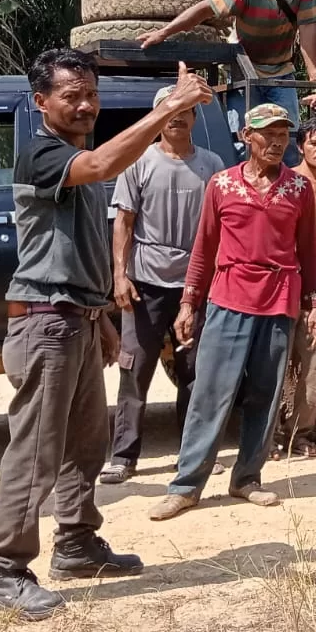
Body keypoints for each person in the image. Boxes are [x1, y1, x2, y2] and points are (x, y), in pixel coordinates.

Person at [0, 52, 213, 621]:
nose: (85, 105)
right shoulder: (42, 154)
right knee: (36, 449)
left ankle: (77, 544)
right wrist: (171, 109)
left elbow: (81, 246)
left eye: (91, 94)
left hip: (77, 318)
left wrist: (102, 316)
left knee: (85, 446)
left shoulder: (79, 159)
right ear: (41, 103)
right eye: (71, 96)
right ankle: (4, 571)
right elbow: (108, 164)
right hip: (44, 321)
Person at [149, 104, 316, 520]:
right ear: (247, 136)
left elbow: (309, 253)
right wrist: (189, 302)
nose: (277, 142)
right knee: (210, 392)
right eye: (268, 134)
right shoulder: (221, 185)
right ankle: (186, 485)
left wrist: (315, 305)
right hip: (229, 299)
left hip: (280, 299)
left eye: (284, 134)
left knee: (265, 395)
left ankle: (247, 478)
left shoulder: (299, 189)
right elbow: (204, 248)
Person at [98, 87, 224, 486]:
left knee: (195, 371)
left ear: (194, 118)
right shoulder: (137, 162)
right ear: (158, 117)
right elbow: (124, 222)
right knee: (135, 369)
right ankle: (123, 455)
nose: (178, 117)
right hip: (145, 283)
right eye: (170, 110)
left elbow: (220, 227)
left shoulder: (212, 164)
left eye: (186, 110)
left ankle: (193, 452)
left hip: (195, 285)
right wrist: (119, 275)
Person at [138, 0, 316, 156]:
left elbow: (307, 26)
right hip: (243, 67)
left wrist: (314, 75)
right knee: (244, 137)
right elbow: (206, 8)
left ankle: (286, 189)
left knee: (288, 135)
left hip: (281, 68)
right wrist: (165, 32)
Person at [280, 116, 316, 458]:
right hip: (283, 276)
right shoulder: (287, 181)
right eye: (314, 143)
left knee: (315, 363)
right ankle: (271, 432)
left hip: (315, 277)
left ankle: (299, 434)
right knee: (272, 360)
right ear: (300, 146)